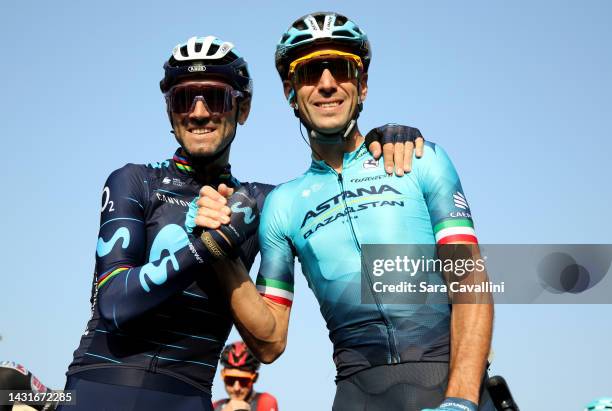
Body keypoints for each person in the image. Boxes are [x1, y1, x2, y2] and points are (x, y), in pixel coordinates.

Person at [58, 34, 423, 411]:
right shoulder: (135, 181)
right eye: (184, 99)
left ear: (242, 109)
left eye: (215, 98)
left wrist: (384, 140)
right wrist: (208, 246)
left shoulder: (267, 203)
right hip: (97, 387)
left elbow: (271, 345)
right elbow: (115, 304)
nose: (199, 113)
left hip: (190, 396)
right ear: (170, 111)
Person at [196, 11, 494, 411]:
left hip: (449, 382)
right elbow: (269, 342)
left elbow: (470, 281)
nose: (326, 84)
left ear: (363, 85)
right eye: (309, 73)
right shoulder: (283, 205)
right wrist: (218, 253)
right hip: (358, 394)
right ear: (290, 91)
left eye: (340, 68)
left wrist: (461, 398)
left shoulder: (421, 161)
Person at [213, 342, 278, 411]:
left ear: (255, 378)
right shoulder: (215, 406)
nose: (236, 388)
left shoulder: (265, 401)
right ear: (222, 375)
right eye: (230, 380)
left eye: (243, 381)